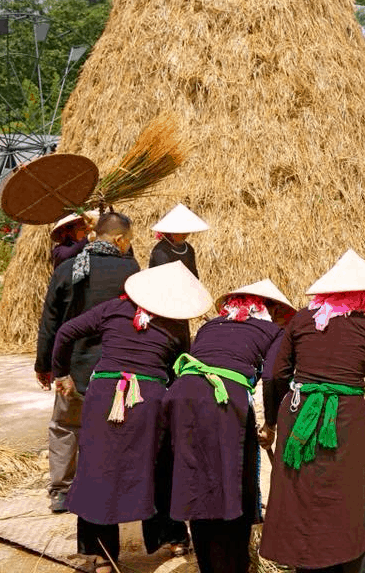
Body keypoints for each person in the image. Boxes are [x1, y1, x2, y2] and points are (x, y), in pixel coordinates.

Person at [51, 261, 211, 573]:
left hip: (103, 395)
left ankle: (99, 556)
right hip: (148, 402)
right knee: (158, 465)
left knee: (97, 468)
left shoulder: (113, 308)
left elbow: (66, 331)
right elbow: (179, 369)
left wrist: (62, 374)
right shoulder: (176, 325)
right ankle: (172, 538)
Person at [259, 249, 365, 573]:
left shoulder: (301, 320)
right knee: (344, 489)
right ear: (363, 294)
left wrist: (272, 422)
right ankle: (344, 559)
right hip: (345, 418)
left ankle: (307, 561)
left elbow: (277, 374)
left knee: (302, 487)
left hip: (299, 411)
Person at [164, 279, 295, 573]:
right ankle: (233, 564)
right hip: (222, 401)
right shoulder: (273, 331)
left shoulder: (209, 327)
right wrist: (271, 423)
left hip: (182, 397)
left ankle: (209, 565)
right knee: (233, 480)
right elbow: (274, 377)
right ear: (270, 308)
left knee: (196, 479)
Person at [36, 212, 140, 513]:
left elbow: (50, 322)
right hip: (116, 365)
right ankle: (115, 487)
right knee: (115, 425)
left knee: (66, 427)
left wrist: (45, 365)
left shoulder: (67, 269)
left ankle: (61, 491)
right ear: (120, 240)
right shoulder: (129, 269)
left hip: (72, 366)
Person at [149, 203, 209, 278]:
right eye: (181, 233)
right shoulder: (160, 251)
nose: (185, 235)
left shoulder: (189, 249)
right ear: (171, 232)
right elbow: (163, 277)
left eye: (187, 232)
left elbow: (193, 275)